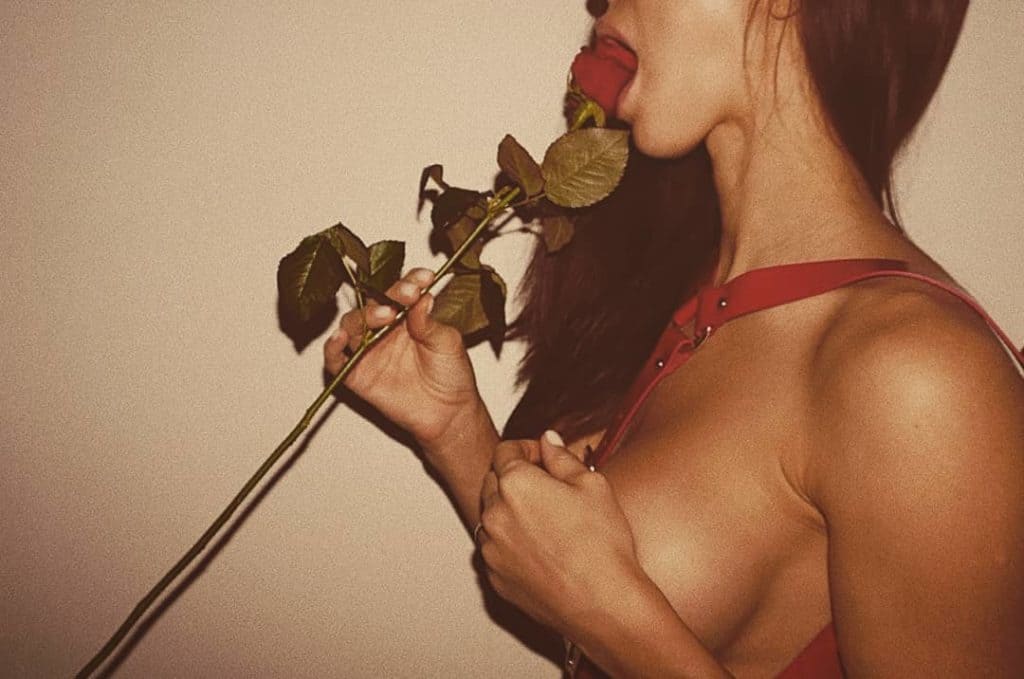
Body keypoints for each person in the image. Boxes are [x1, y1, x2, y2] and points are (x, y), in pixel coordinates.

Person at [324, 1, 1024, 676]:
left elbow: (612, 614)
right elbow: (582, 590)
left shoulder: (920, 378)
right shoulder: (700, 290)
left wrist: (611, 616)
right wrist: (452, 426)